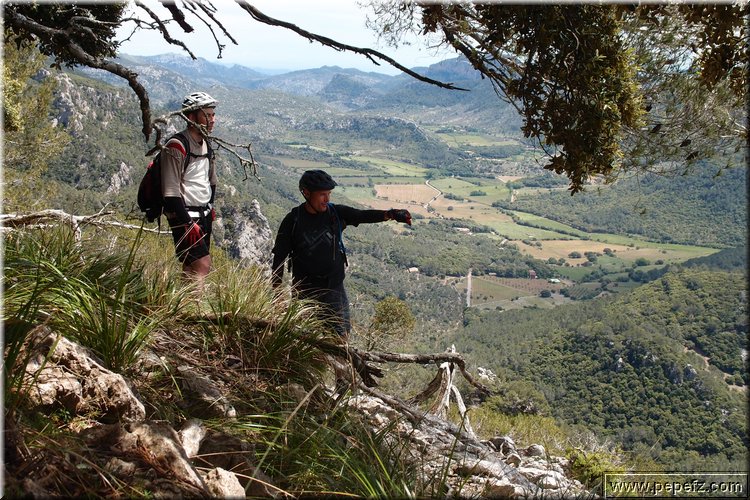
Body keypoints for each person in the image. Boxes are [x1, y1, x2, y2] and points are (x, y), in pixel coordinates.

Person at [271, 169, 412, 337]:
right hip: (304, 290)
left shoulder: (335, 213)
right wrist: (277, 294)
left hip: (334, 289)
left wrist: (390, 214)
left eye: (329, 194)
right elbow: (279, 258)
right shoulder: (293, 221)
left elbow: (361, 215)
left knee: (340, 338)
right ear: (306, 193)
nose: (327, 199)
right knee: (302, 336)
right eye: (322, 194)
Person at [162, 91, 218, 283]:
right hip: (185, 215)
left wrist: (210, 206)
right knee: (203, 264)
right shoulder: (176, 145)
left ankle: (182, 301)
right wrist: (187, 222)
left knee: (190, 264)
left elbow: (212, 181)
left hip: (203, 214)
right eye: (207, 115)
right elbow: (170, 192)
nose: (212, 120)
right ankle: (195, 302)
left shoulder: (206, 144)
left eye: (213, 115)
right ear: (191, 117)